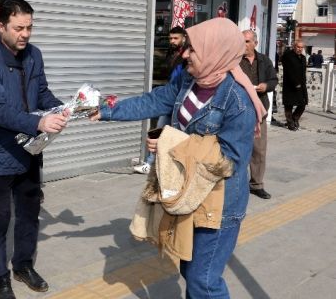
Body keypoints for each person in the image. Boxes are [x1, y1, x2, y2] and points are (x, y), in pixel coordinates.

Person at [91, 18, 265, 298]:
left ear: (214, 52)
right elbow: (153, 101)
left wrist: (171, 143)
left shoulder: (238, 101)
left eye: (192, 49)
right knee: (189, 270)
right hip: (189, 193)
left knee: (203, 281)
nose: (184, 54)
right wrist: (105, 111)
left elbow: (230, 160)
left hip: (218, 204)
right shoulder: (190, 80)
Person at [0, 0, 68, 299]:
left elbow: (42, 92)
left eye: (29, 27)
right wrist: (38, 123)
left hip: (30, 151)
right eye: (18, 28)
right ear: (0, 26)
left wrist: (62, 108)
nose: (25, 34)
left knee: (29, 214)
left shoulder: (34, 55)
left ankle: (23, 265)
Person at [134, 25, 187, 174]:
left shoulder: (186, 55)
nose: (172, 41)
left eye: (175, 38)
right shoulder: (172, 53)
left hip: (180, 99)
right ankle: (151, 163)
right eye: (170, 38)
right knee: (160, 129)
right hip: (171, 97)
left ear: (184, 38)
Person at [240, 30, 278, 200]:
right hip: (239, 111)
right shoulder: (234, 60)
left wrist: (266, 86)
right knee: (238, 148)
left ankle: (256, 185)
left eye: (247, 41)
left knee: (259, 150)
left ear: (255, 43)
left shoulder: (264, 60)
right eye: (242, 41)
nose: (244, 44)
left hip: (259, 110)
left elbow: (274, 80)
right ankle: (237, 183)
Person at [280, 40, 308, 130]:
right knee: (289, 104)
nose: (300, 49)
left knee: (303, 104)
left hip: (301, 84)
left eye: (301, 47)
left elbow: (303, 72)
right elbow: (288, 71)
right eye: (298, 47)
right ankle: (290, 123)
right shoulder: (288, 56)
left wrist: (303, 83)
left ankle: (295, 118)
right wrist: (296, 83)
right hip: (290, 85)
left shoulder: (303, 58)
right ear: (294, 47)